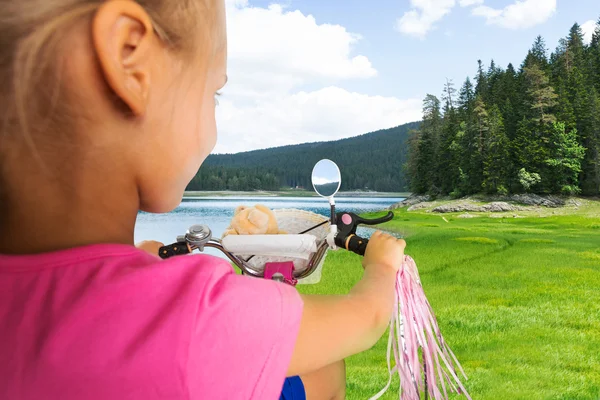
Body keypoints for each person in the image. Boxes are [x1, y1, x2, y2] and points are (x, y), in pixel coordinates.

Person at [0, 1, 407, 399]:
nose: (213, 132)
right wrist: (382, 268)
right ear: (130, 59)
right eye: (214, 93)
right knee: (323, 371)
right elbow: (366, 318)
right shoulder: (191, 317)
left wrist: (134, 261)